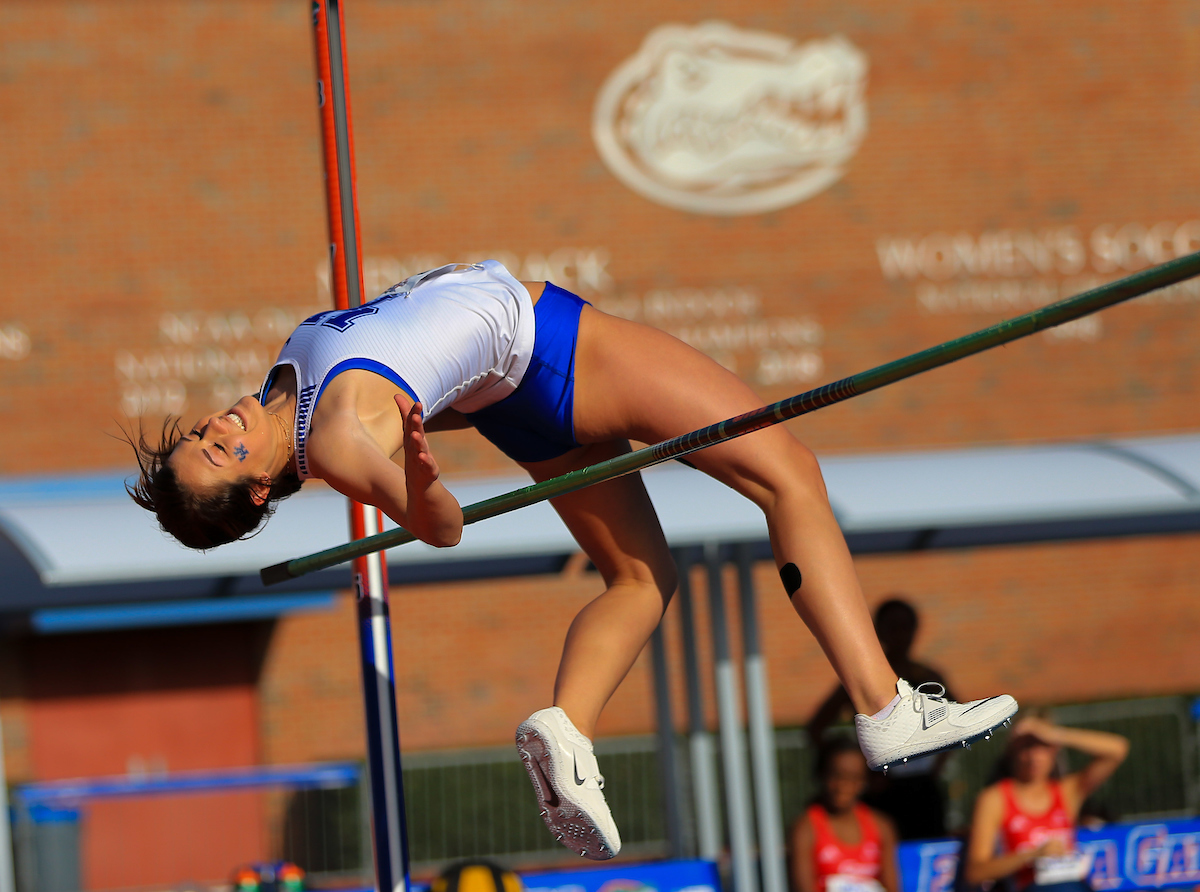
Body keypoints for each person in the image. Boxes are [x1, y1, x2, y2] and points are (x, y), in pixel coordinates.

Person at [125, 261, 1017, 860]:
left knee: (639, 578)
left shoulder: (290, 382)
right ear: (253, 493)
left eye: (201, 435)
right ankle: (882, 704)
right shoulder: (343, 442)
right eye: (218, 454)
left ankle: (569, 726)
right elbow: (437, 527)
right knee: (789, 475)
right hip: (555, 350)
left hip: (517, 397)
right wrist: (425, 482)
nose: (216, 428)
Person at [808, 598, 954, 840]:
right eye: (892, 627)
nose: (900, 635)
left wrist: (938, 764)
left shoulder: (928, 678)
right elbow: (816, 728)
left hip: (922, 787)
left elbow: (958, 722)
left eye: (906, 626)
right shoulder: (863, 678)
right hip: (882, 787)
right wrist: (854, 764)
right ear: (878, 630)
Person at [964, 716, 1129, 892]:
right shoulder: (995, 799)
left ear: (1053, 750)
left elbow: (1118, 749)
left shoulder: (1066, 792)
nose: (1034, 757)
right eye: (1026, 746)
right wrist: (1032, 855)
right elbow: (976, 871)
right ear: (1013, 751)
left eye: (1042, 746)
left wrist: (1056, 734)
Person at [790, 737, 901, 892]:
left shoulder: (882, 826)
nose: (844, 785)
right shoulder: (805, 828)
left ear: (865, 780)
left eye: (854, 777)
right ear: (822, 775)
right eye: (836, 775)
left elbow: (892, 887)